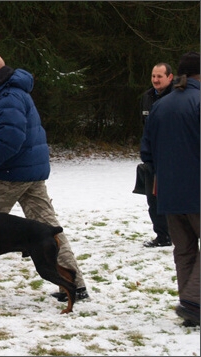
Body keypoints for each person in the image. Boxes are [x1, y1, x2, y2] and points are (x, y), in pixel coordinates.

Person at [0, 51, 89, 302]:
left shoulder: (7, 96)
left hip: (12, 174)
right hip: (30, 171)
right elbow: (1, 131)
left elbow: (12, 138)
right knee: (49, 229)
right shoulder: (10, 92)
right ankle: (74, 284)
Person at [140, 52, 200, 327]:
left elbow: (146, 150)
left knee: (184, 250)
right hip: (196, 190)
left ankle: (191, 310)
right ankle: (193, 301)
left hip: (168, 192)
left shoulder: (160, 106)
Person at [138, 63, 174, 248]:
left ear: (170, 77)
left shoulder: (177, 98)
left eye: (160, 76)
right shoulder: (147, 97)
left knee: (175, 198)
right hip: (152, 157)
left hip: (174, 157)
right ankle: (162, 236)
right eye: (153, 76)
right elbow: (145, 128)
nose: (156, 80)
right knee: (153, 199)